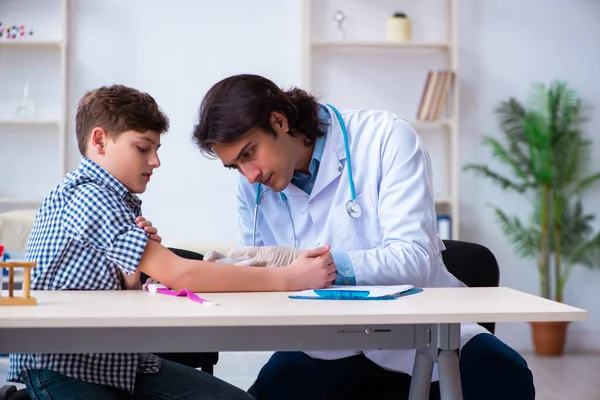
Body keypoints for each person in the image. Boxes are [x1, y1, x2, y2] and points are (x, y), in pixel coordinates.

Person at [192, 74, 536, 400]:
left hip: (421, 336)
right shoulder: (253, 186)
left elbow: (413, 258)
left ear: (280, 121)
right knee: (272, 390)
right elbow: (267, 278)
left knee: (504, 377)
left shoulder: (386, 137)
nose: (249, 175)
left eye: (249, 153)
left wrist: (327, 268)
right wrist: (241, 273)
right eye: (235, 165)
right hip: (323, 344)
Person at [7, 84, 336, 400]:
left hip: (116, 363)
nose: (155, 161)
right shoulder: (89, 196)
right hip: (65, 366)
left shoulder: (114, 199)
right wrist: (288, 279)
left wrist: (131, 277)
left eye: (156, 150)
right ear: (100, 140)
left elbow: (119, 296)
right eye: (142, 148)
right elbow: (180, 274)